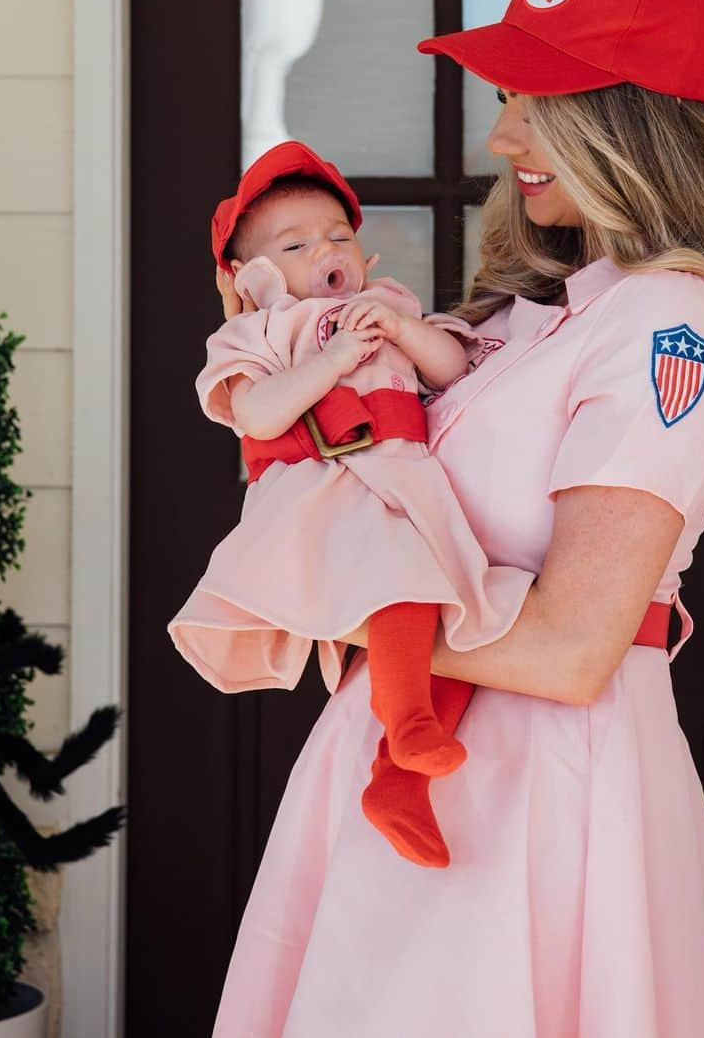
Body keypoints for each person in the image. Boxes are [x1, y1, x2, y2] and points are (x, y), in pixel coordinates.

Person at [208, 0, 704, 1037]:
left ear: (626, 121)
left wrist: (331, 598)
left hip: (530, 807)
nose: (503, 134)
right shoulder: (529, 316)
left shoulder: (669, 321)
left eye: (536, 99)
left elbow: (570, 646)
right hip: (404, 789)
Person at [167, 140, 538, 867]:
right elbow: (261, 415)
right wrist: (332, 362)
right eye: (297, 244)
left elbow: (453, 368)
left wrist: (405, 331)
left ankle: (397, 779)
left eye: (339, 235)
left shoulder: (388, 305)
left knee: (479, 616)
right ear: (252, 277)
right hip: (331, 494)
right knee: (403, 580)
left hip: (408, 488)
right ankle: (405, 722)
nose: (326, 249)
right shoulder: (256, 333)